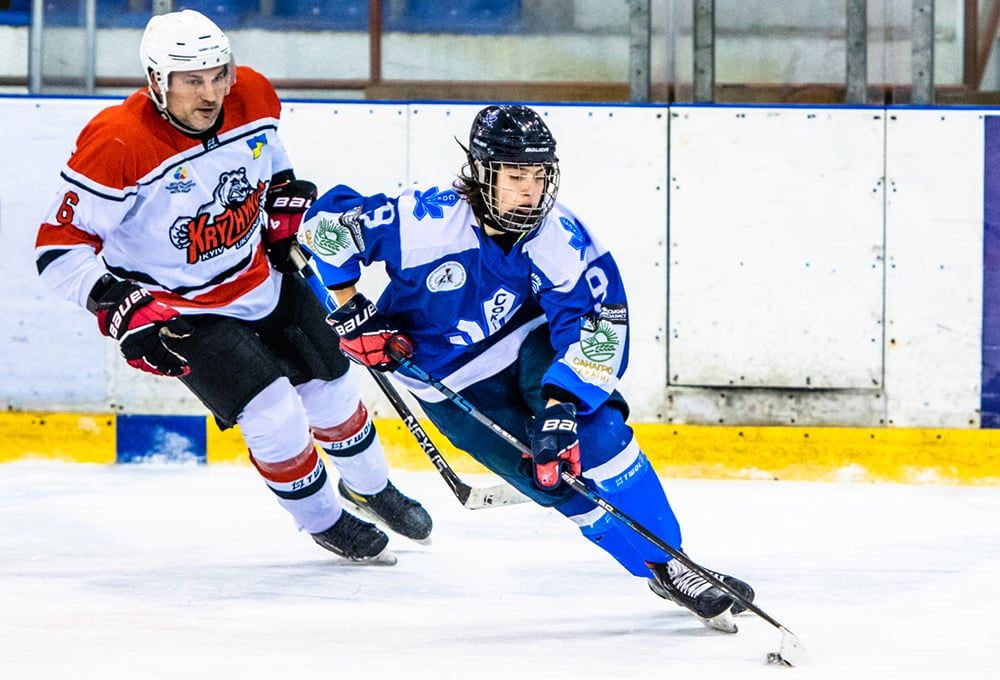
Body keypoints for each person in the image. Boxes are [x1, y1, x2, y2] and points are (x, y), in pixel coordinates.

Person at [300, 104, 755, 628]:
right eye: (516, 176)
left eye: (539, 176)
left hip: (529, 342)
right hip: (444, 378)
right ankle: (651, 565)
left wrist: (562, 408)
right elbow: (327, 225)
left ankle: (677, 564)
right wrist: (349, 302)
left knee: (595, 435)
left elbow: (600, 324)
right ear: (482, 172)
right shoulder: (423, 218)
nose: (530, 191)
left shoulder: (560, 236)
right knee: (552, 480)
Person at [33, 9, 431, 564]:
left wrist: (281, 201)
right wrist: (115, 302)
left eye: (218, 74)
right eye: (191, 81)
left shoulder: (252, 95)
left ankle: (369, 487)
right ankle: (322, 519)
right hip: (182, 310)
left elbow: (269, 156)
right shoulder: (118, 143)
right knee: (275, 414)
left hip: (259, 279)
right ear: (157, 81)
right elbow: (56, 250)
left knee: (335, 387)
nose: (211, 92)